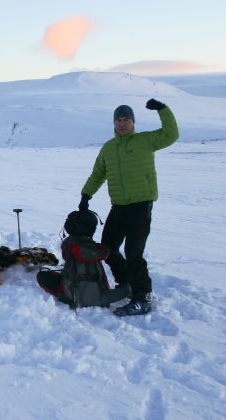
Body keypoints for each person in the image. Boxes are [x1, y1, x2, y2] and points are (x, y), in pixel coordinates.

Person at [79, 98, 179, 316]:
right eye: (119, 120)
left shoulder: (146, 140)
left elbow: (171, 135)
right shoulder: (109, 148)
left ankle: (143, 297)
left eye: (127, 120)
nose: (122, 124)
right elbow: (98, 174)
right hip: (119, 206)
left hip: (141, 205)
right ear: (114, 123)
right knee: (107, 248)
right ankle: (126, 283)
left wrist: (162, 109)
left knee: (134, 251)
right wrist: (86, 194)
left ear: (133, 122)